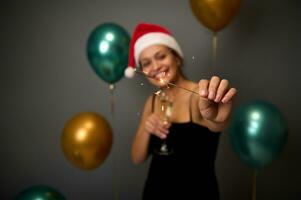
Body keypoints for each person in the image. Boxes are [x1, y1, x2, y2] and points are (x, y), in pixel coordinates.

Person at [125, 23, 237, 200]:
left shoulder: (199, 94)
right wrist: (147, 129)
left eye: (161, 56)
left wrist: (218, 118)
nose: (154, 67)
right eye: (146, 63)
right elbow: (137, 158)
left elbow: (217, 123)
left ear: (176, 58)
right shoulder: (153, 101)